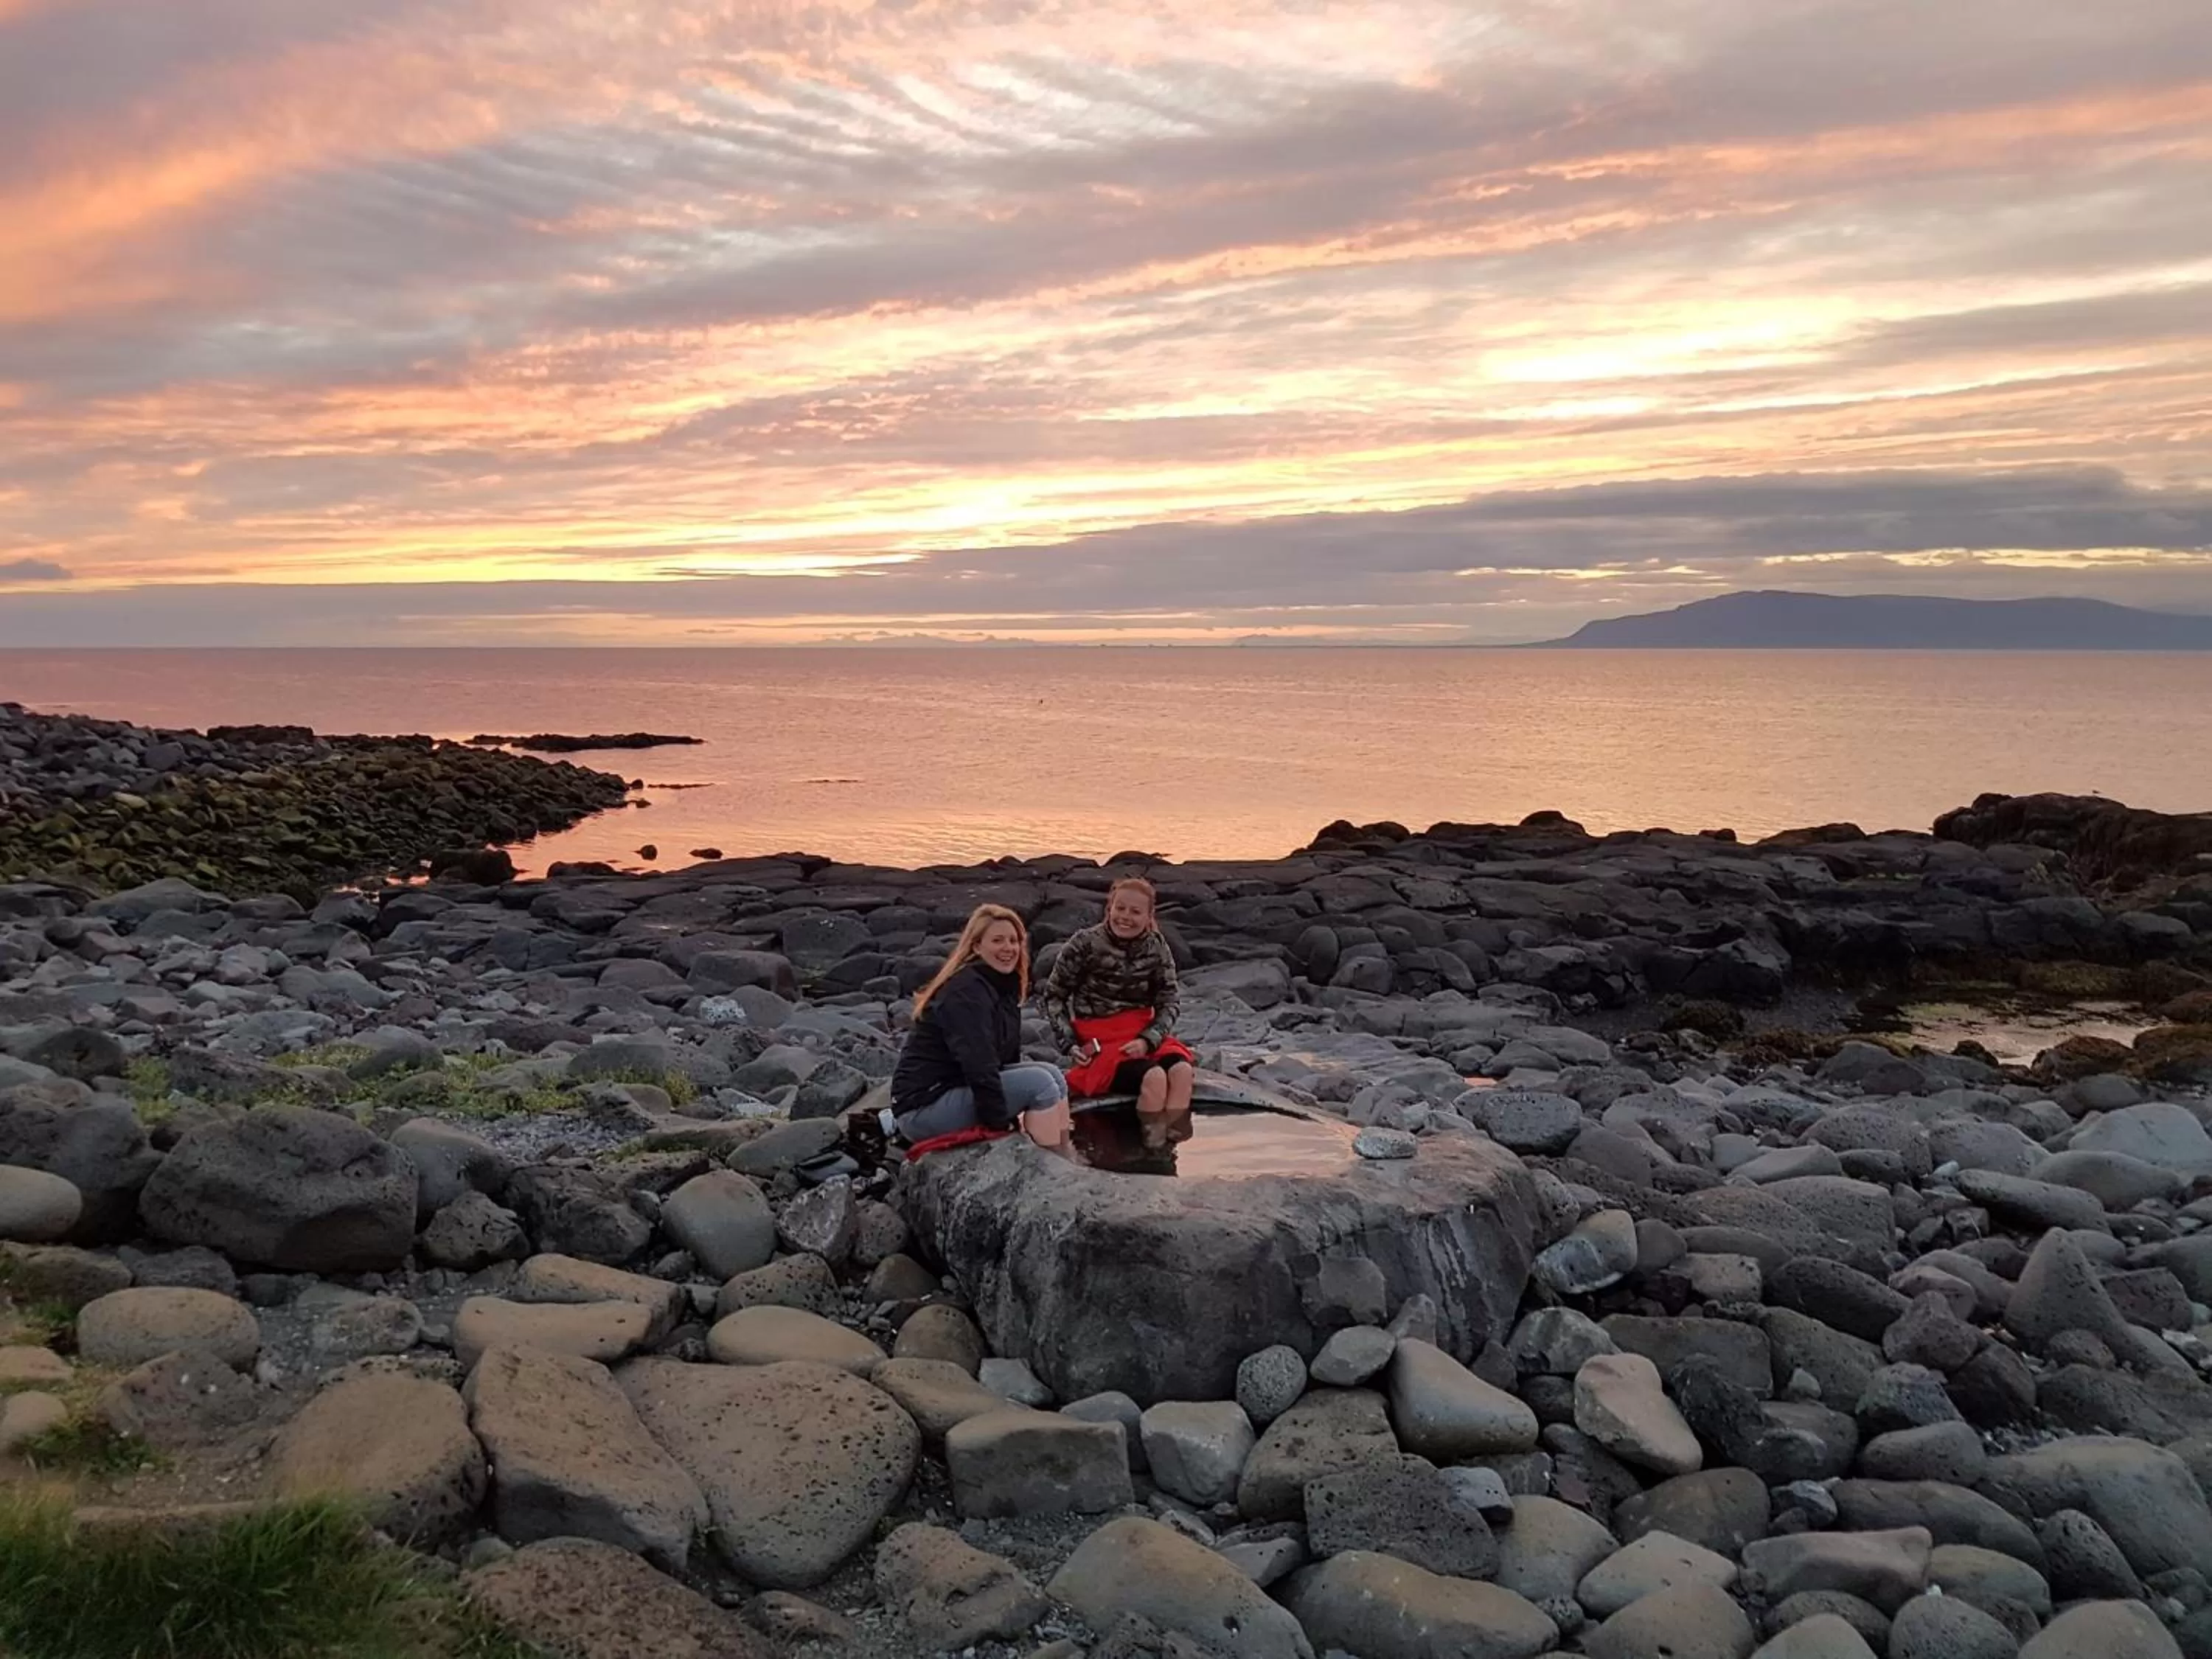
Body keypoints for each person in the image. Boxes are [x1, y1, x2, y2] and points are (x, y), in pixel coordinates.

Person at [891, 902, 1074, 1155]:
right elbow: (978, 1063)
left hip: (955, 1087)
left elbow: (1002, 1060)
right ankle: (1050, 1170)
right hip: (922, 1108)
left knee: (1054, 1074)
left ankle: (1068, 1154)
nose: (1009, 948)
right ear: (977, 946)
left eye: (1014, 940)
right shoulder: (966, 992)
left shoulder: (1000, 985)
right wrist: (999, 1122)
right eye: (997, 940)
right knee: (1040, 1084)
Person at [1043, 877, 1195, 1129]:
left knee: (1182, 1072)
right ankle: (1145, 1149)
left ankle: (1169, 1142)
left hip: (1141, 1034)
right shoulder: (1084, 943)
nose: (1125, 917)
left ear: (1149, 916)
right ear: (1109, 909)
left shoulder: (1156, 946)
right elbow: (1054, 995)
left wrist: (1148, 1040)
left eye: (1135, 912)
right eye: (1120, 908)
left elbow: (1169, 999)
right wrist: (1070, 1045)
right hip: (1100, 1041)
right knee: (1154, 1077)